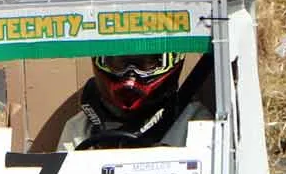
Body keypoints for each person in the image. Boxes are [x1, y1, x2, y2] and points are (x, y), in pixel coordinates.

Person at [58, 54, 210, 151]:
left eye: (147, 61)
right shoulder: (79, 128)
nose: (131, 76)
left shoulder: (194, 122)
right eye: (119, 60)